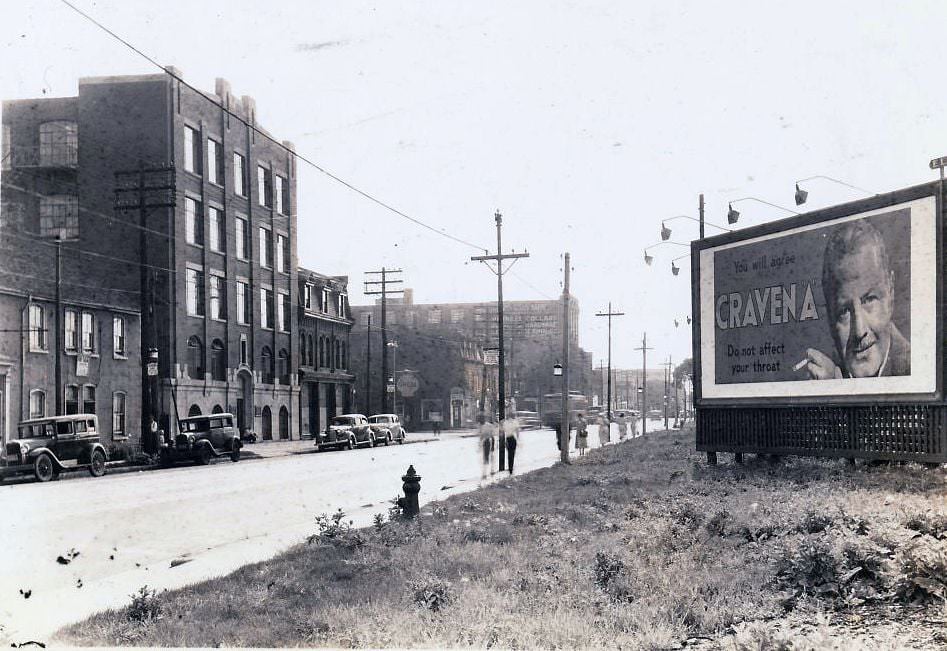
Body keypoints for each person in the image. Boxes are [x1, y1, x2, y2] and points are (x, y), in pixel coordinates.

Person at [802, 220, 911, 380]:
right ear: (830, 319)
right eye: (844, 311)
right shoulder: (826, 375)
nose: (859, 331)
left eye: (869, 300)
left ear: (891, 292)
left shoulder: (918, 370)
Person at [477, 413, 495, 480]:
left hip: (489, 440)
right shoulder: (480, 426)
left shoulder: (489, 425)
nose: (480, 421)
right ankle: (485, 472)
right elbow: (481, 435)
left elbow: (492, 434)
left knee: (490, 456)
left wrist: (491, 443)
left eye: (481, 419)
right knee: (485, 457)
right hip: (485, 442)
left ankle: (491, 470)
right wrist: (479, 444)